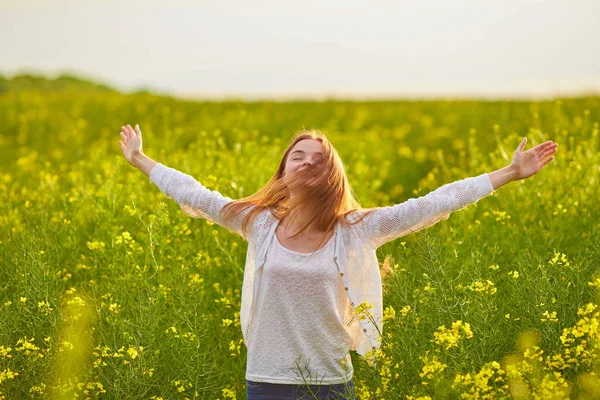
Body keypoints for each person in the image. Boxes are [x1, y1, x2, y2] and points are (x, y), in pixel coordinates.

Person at [119, 124, 558, 400]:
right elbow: (194, 193)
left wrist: (509, 173)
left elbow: (436, 202)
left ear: (333, 176)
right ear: (283, 172)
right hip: (266, 381)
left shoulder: (357, 229)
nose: (308, 162)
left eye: (320, 159)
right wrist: (139, 159)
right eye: (298, 156)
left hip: (330, 383)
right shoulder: (258, 224)